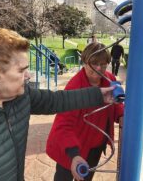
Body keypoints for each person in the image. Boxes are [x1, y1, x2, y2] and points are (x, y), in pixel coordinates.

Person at [0, 26, 116, 181]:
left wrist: (99, 95)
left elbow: (57, 100)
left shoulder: (21, 95)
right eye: (21, 70)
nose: (28, 75)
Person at [46, 42, 124, 181]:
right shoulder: (75, 86)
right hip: (71, 148)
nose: (99, 68)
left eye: (103, 63)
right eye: (94, 63)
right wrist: (74, 154)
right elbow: (63, 125)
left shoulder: (109, 79)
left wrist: (121, 114)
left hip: (95, 145)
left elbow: (117, 103)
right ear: (84, 62)